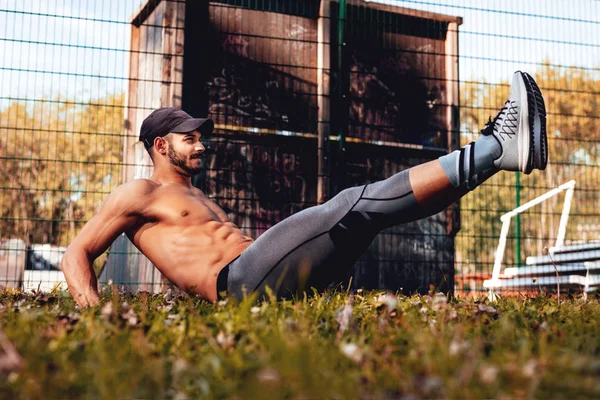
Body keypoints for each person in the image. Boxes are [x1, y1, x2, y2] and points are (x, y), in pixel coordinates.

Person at [61, 71, 547, 307]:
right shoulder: (140, 193)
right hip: (241, 285)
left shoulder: (196, 197)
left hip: (264, 284)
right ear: (161, 145)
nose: (202, 145)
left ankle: (498, 157)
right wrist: (94, 312)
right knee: (353, 202)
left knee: (371, 214)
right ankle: (494, 147)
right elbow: (76, 253)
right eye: (190, 139)